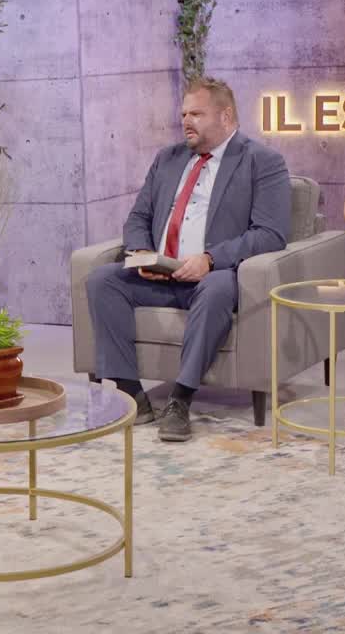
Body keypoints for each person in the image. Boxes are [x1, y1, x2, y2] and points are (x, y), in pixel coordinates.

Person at [86, 77, 290, 443]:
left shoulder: (262, 162)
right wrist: (141, 253)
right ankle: (132, 394)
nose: (186, 121)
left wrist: (210, 259)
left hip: (213, 277)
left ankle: (180, 399)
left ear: (225, 116)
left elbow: (270, 233)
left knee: (216, 290)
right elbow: (138, 217)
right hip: (160, 274)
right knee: (103, 280)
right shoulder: (168, 159)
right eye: (183, 114)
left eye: (196, 114)